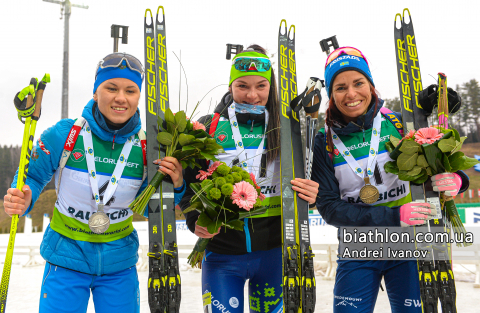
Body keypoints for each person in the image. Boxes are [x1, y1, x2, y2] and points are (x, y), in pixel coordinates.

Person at [3, 52, 185, 313]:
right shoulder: (65, 134)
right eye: (111, 88)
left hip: (118, 263)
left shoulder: (149, 146)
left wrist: (175, 186)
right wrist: (24, 197)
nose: (120, 97)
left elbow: (150, 209)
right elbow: (32, 176)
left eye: (130, 91)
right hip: (65, 257)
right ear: (95, 91)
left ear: (138, 97)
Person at [311, 46, 469, 312]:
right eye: (340, 87)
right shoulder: (323, 142)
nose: (351, 94)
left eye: (358, 83)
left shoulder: (399, 124)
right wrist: (394, 217)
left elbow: (438, 166)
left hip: (410, 242)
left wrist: (457, 180)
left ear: (371, 85)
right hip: (358, 245)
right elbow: (328, 208)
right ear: (331, 94)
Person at [178, 45, 319, 313]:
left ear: (271, 88)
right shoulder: (207, 127)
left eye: (261, 86)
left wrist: (312, 197)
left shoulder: (287, 128)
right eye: (242, 85)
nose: (251, 95)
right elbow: (188, 190)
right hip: (221, 254)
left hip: (275, 255)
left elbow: (310, 181)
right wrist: (195, 220)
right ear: (231, 86)